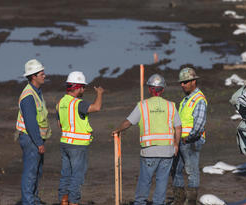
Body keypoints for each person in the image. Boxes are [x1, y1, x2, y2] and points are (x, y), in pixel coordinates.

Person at [112, 74, 182, 205]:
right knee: (162, 183)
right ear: (162, 89)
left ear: (150, 89)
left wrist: (118, 130)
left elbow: (128, 122)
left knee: (144, 182)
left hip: (149, 151)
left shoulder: (142, 105)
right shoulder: (171, 106)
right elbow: (178, 127)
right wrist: (176, 144)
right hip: (167, 152)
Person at [57, 71, 104, 205]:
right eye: (83, 87)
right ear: (77, 87)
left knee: (65, 175)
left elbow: (59, 123)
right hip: (78, 146)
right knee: (77, 177)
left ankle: (63, 201)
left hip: (65, 143)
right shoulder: (78, 103)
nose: (83, 90)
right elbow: (97, 107)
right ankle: (73, 202)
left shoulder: (61, 103)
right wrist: (99, 94)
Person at [16, 59, 51, 205]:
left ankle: (34, 200)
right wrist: (38, 142)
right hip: (31, 139)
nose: (44, 75)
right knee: (31, 173)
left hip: (35, 139)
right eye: (41, 73)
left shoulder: (36, 92)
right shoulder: (29, 95)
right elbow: (31, 123)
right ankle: (29, 202)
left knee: (36, 172)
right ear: (33, 76)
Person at [172, 67, 207, 205]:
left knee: (192, 171)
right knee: (176, 170)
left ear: (193, 81)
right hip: (181, 140)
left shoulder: (199, 99)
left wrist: (189, 137)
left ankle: (191, 201)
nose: (182, 84)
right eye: (181, 82)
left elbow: (199, 123)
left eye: (185, 82)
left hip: (191, 141)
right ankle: (179, 200)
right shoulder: (186, 99)